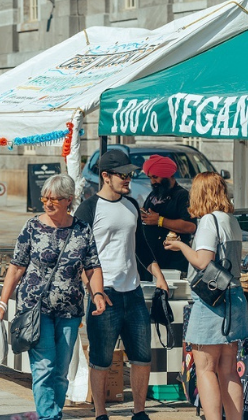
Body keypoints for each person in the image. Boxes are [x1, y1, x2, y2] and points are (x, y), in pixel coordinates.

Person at [0, 174, 106, 420]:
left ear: (69, 200)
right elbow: (16, 267)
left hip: (70, 309)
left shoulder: (81, 229)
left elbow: (92, 266)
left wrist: (97, 293)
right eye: (45, 198)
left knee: (61, 370)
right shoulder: (32, 227)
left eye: (54, 199)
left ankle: (53, 412)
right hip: (35, 308)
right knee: (44, 366)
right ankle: (49, 417)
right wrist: (2, 302)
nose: (48, 203)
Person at [74, 149, 169, 420]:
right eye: (123, 175)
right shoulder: (89, 208)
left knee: (142, 357)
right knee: (101, 359)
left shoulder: (131, 205)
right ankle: (101, 413)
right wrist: (94, 290)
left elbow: (141, 246)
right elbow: (79, 254)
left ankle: (139, 412)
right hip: (105, 293)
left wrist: (158, 276)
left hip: (134, 292)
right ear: (105, 176)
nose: (128, 179)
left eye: (130, 174)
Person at [163, 172, 248, 420]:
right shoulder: (230, 220)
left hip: (212, 302)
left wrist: (180, 246)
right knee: (229, 370)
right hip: (235, 296)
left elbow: (202, 261)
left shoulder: (208, 221)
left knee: (206, 368)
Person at [140, 155, 196, 276]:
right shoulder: (154, 194)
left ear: (168, 174)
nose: (152, 181)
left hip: (173, 262)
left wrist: (160, 220)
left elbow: (190, 226)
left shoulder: (182, 196)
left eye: (155, 177)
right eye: (150, 178)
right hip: (153, 260)